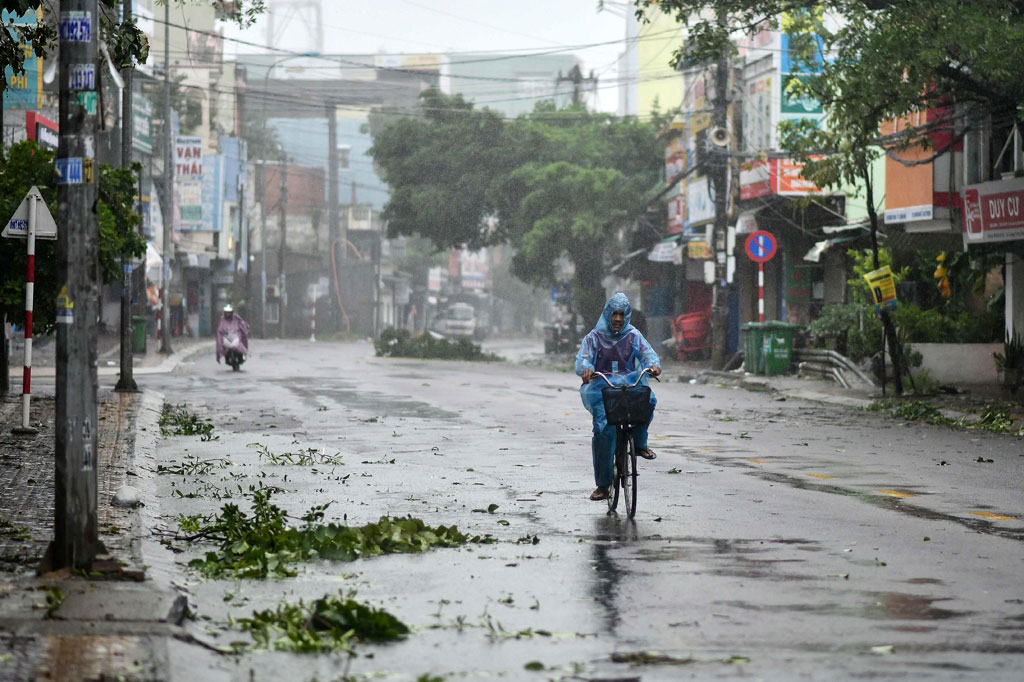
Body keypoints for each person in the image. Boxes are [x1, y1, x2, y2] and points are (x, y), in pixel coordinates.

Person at [575, 293, 661, 501]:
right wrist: (586, 368)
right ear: (607, 314)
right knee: (603, 429)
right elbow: (583, 359)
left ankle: (639, 444)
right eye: (614, 314)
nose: (618, 319)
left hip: (629, 384)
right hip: (602, 388)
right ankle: (603, 485)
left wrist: (653, 365)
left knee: (648, 401)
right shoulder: (594, 337)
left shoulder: (633, 335)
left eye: (622, 314)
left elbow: (648, 354)